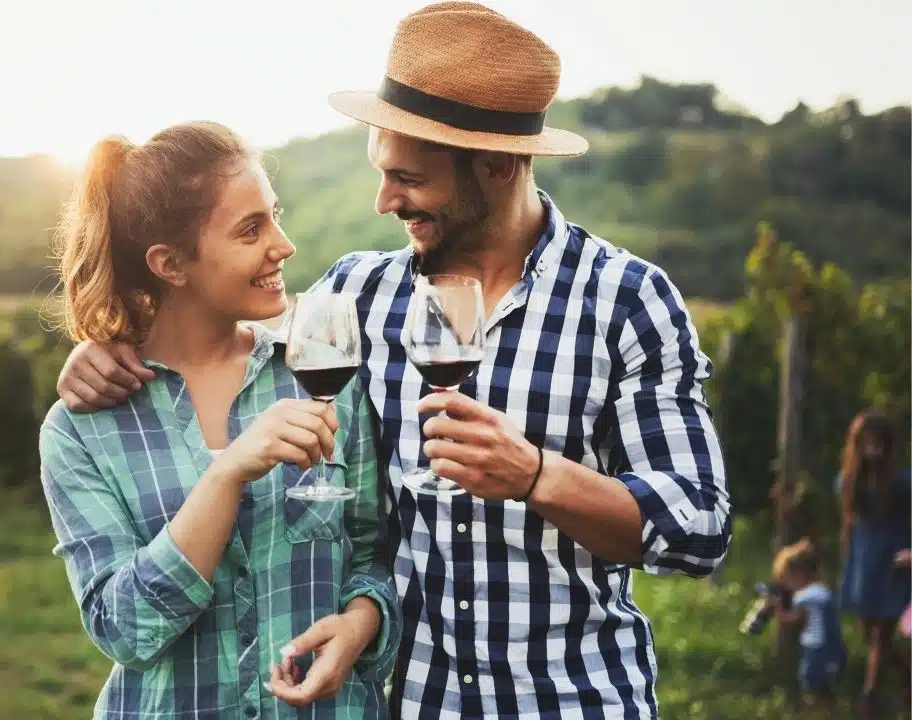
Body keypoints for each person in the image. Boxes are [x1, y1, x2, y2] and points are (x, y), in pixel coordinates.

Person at [54, 4, 732, 718]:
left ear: (497, 166)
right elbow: (214, 327)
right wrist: (108, 344)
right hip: (415, 702)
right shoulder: (356, 296)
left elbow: (699, 527)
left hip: (572, 700)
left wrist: (537, 476)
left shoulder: (628, 300)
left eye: (408, 177)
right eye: (382, 172)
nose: (385, 200)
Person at [38, 121, 401, 719]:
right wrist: (226, 473)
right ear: (171, 264)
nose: (282, 245)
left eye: (274, 216)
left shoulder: (322, 375)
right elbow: (124, 631)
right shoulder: (81, 429)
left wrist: (362, 624)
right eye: (250, 230)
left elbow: (372, 554)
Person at [835, 409, 911, 716]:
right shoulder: (847, 481)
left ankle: (868, 701)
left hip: (894, 561)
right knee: (868, 631)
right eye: (867, 443)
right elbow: (848, 522)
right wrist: (847, 559)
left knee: (882, 633)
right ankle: (908, 678)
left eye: (879, 443)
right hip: (863, 562)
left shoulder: (903, 482)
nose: (873, 450)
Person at [769, 538, 847, 707]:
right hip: (834, 650)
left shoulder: (806, 596)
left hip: (817, 651)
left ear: (798, 574)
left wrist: (778, 609)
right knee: (826, 690)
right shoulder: (823, 591)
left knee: (812, 689)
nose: (789, 587)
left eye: (787, 580)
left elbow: (792, 620)